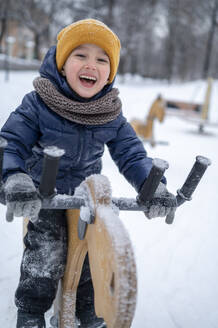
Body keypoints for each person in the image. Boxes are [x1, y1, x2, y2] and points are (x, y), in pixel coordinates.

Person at [0, 19, 176, 328]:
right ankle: (31, 309)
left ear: (110, 72)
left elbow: (132, 154)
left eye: (101, 59)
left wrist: (154, 187)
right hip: (43, 193)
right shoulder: (40, 103)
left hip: (85, 194)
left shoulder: (110, 113)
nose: (90, 65)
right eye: (80, 55)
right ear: (62, 62)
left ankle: (88, 309)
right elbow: (11, 142)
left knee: (92, 251)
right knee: (47, 248)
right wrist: (15, 177)